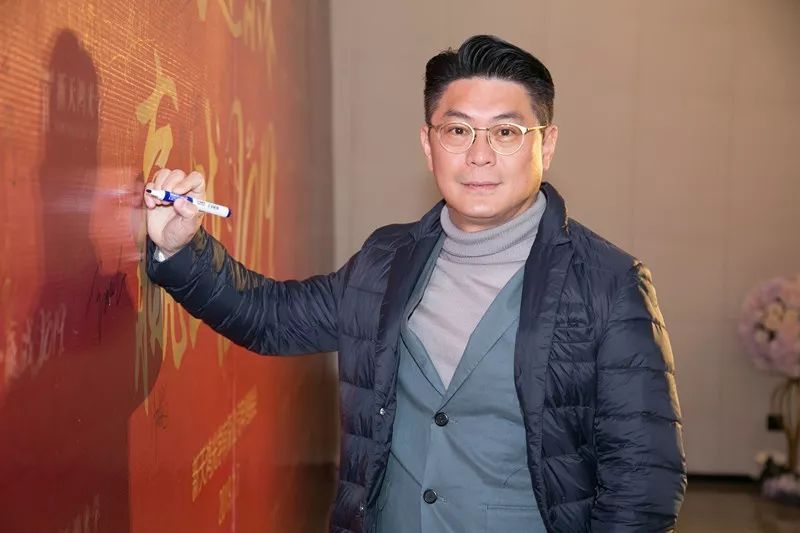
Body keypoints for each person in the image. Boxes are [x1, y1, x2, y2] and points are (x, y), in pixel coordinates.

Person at [144, 35, 686, 533]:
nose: (479, 154)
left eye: (506, 132)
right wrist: (179, 246)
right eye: (457, 131)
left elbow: (643, 486)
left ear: (545, 146)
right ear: (429, 145)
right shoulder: (387, 260)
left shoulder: (608, 284)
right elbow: (270, 318)